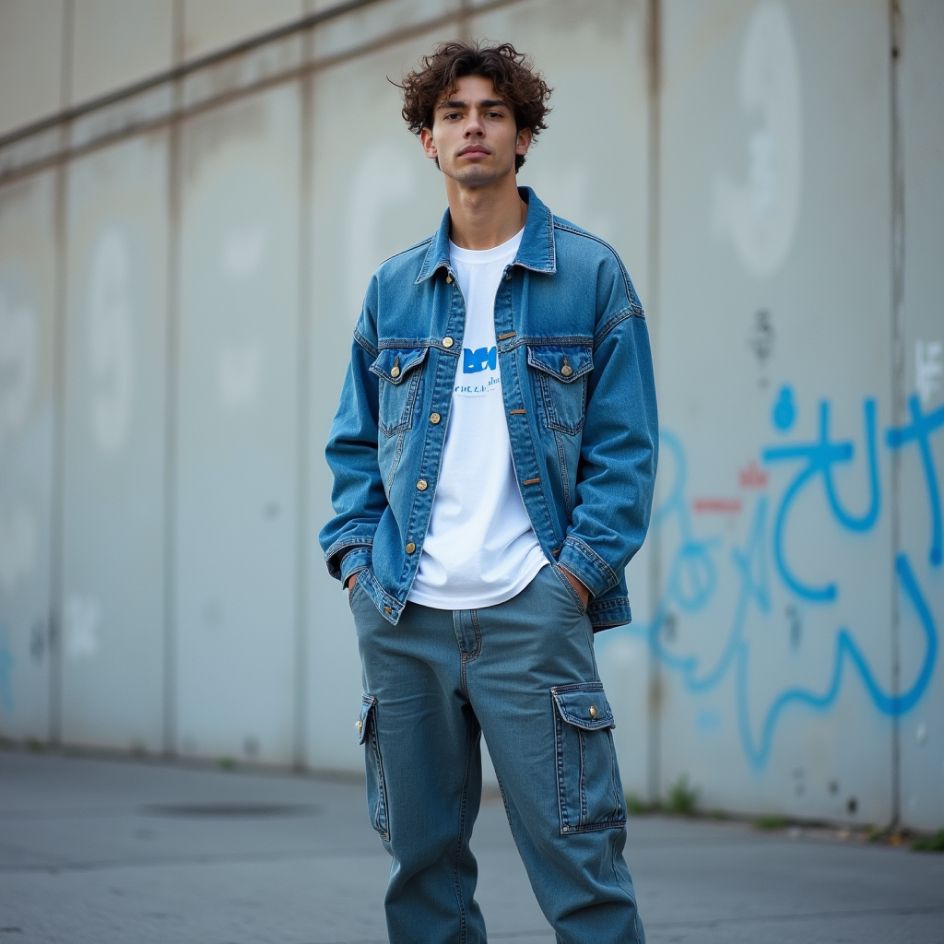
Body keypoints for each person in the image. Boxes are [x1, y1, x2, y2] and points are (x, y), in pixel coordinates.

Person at [320, 39, 657, 944]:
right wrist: (358, 567)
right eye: (454, 114)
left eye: (493, 112)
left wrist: (570, 587)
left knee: (584, 873)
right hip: (405, 618)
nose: (474, 127)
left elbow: (626, 457)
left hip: (529, 615)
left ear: (523, 135)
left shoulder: (589, 277)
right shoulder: (393, 290)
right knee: (423, 878)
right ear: (428, 141)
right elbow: (353, 449)